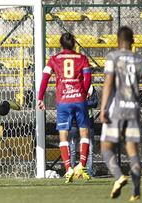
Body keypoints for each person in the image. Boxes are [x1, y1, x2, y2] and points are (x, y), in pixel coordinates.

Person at [100, 26, 142, 201]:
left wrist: (103, 109)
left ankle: (118, 176)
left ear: (117, 41)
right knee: (132, 150)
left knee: (106, 147)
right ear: (134, 41)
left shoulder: (112, 57)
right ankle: (136, 190)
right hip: (134, 109)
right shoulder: (141, 61)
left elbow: (108, 83)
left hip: (117, 109)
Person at [38, 32, 92, 183]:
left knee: (63, 136)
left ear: (60, 44)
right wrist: (85, 92)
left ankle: (68, 169)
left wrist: (40, 97)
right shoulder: (82, 58)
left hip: (63, 101)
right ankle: (81, 165)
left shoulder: (54, 59)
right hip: (79, 99)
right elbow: (88, 78)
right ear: (74, 44)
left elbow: (45, 78)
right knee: (84, 133)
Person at [69, 85, 98, 177]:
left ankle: (88, 171)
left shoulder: (91, 88)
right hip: (75, 122)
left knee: (90, 148)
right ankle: (72, 171)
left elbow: (95, 103)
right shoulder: (72, 86)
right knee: (73, 148)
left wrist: (82, 103)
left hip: (88, 122)